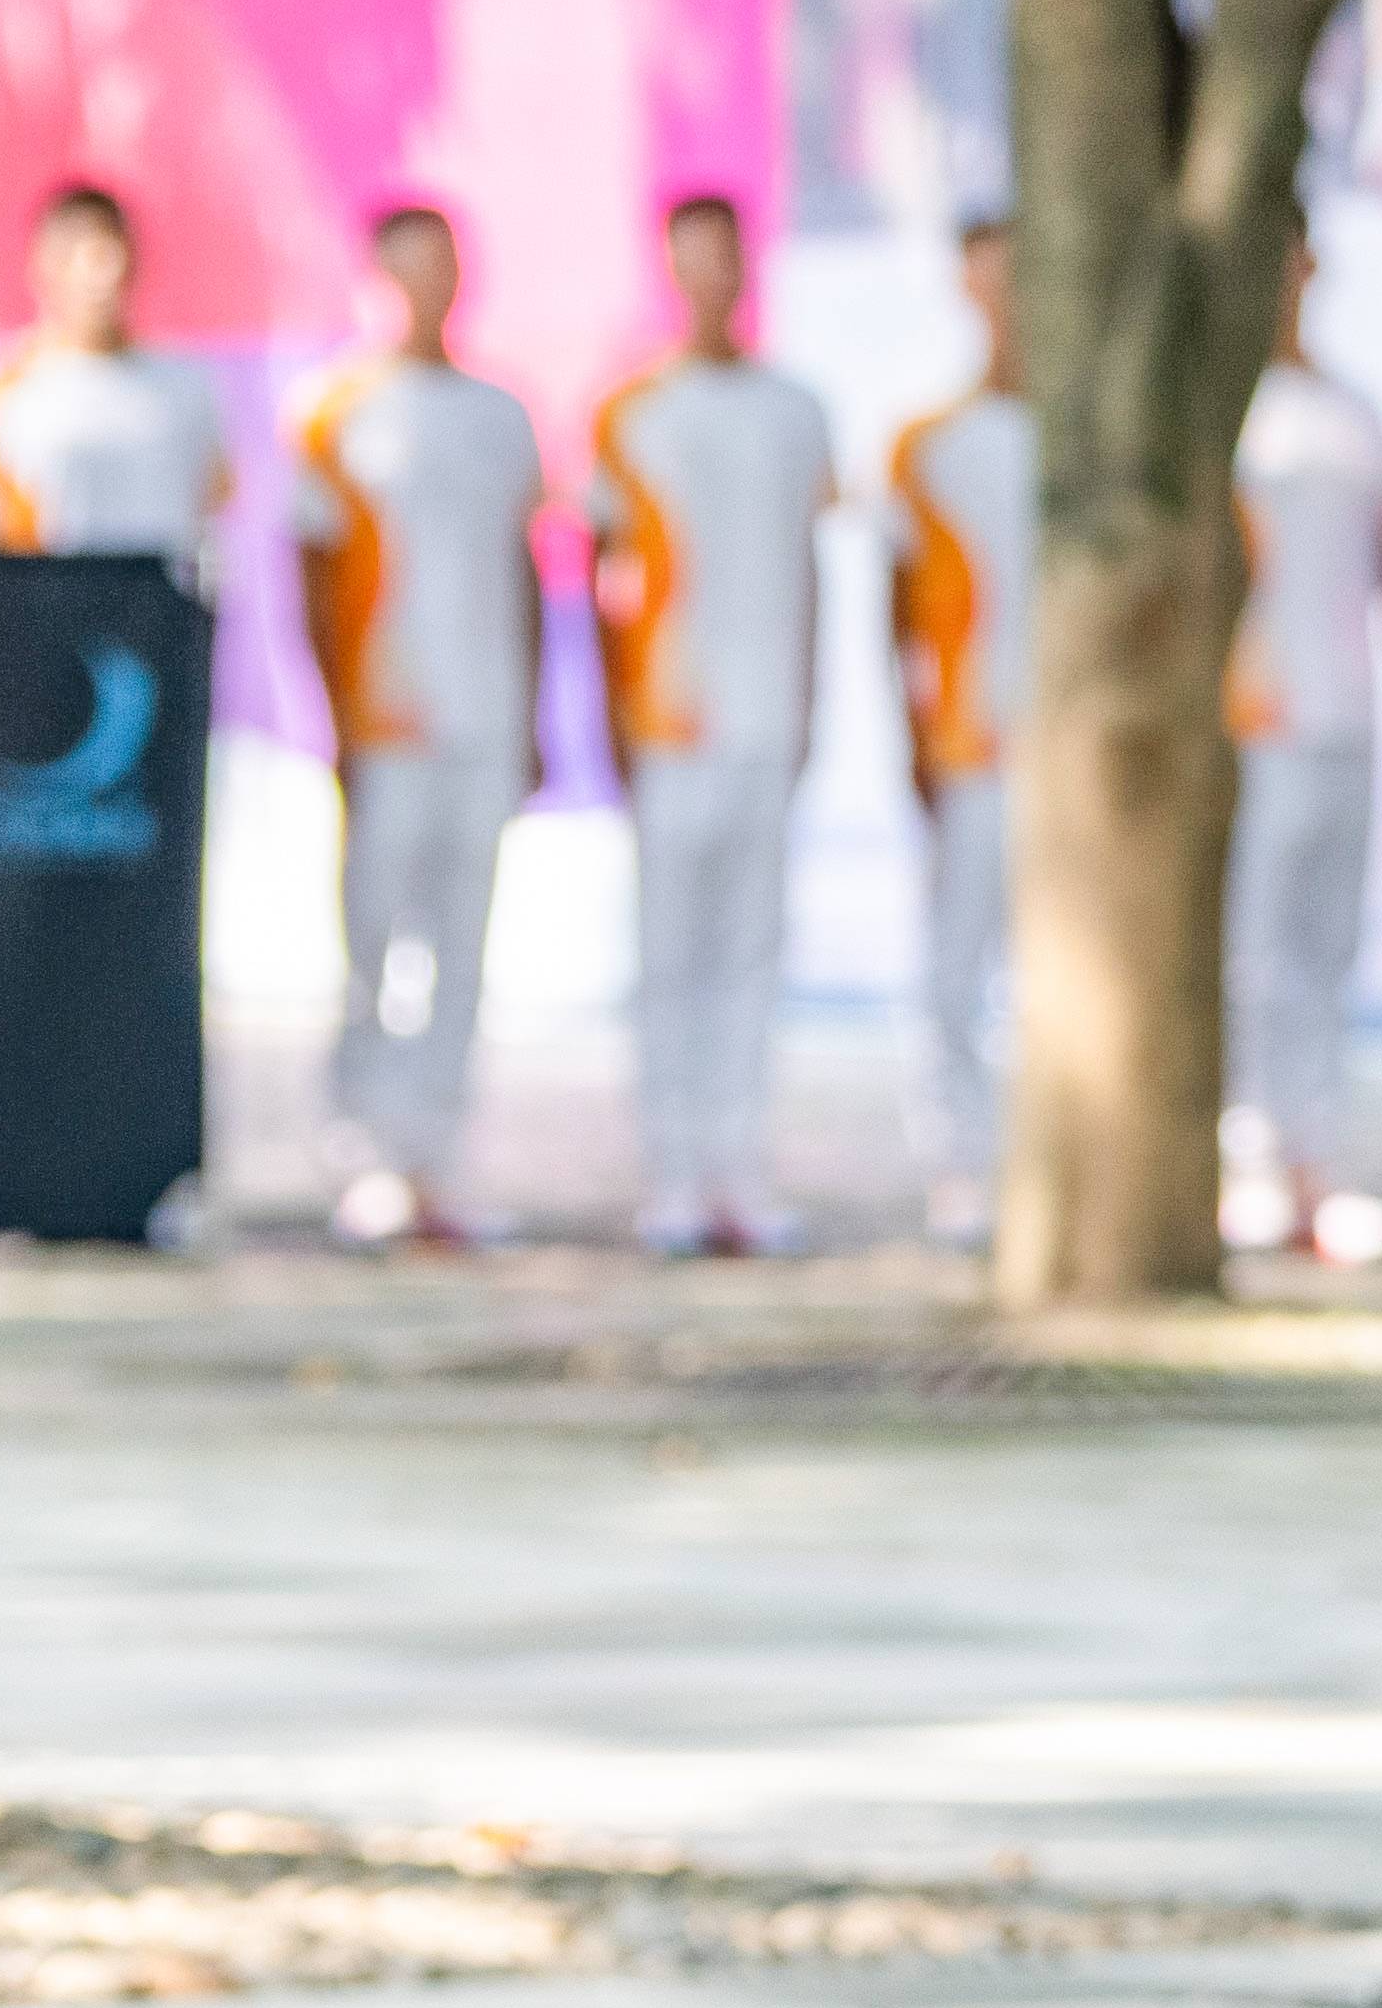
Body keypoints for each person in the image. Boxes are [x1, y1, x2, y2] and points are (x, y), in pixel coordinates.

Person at [582, 196, 835, 1257]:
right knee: (669, 952)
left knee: (748, 952)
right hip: (670, 725)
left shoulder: (795, 410)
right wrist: (614, 721)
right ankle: (670, 1172)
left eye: (723, 262)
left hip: (762, 720)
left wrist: (808, 701)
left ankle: (737, 1166)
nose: (707, 282)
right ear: (667, 272)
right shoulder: (631, 414)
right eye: (689, 264)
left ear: (745, 269)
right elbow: (604, 586)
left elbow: (810, 567)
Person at [291, 203, 545, 1251]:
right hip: (384, 720)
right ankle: (364, 1153)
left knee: (460, 946)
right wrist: (338, 711)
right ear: (371, 280)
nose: (419, 291)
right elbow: (308, 571)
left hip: (479, 716)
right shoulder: (331, 410)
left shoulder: (499, 416)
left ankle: (437, 1156)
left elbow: (521, 569)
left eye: (436, 269)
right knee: (372, 939)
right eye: (400, 272)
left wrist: (528, 710)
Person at [1226, 243, 1382, 1247]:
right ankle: (1249, 1153)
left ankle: (1316, 1162)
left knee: (1327, 946)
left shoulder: (1354, 412)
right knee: (1256, 947)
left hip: (1349, 713)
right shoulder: (1228, 418)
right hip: (1261, 717)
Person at [886, 220, 1033, 1247]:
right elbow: (891, 611)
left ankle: (1042, 1161)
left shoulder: (1090, 443)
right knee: (954, 965)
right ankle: (957, 1167)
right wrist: (912, 737)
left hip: (1064, 763)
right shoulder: (925, 442)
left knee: (1056, 978)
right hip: (967, 749)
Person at [0, 185, 228, 585]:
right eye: (79, 258)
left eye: (112, 256)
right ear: (44, 267)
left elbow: (210, 503)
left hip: (165, 622)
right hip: (47, 619)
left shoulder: (187, 386)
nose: (100, 278)